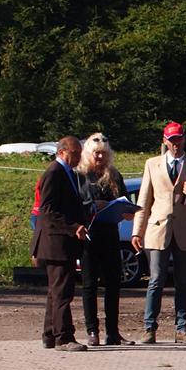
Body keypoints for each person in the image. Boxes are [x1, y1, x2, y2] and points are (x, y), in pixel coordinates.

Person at [130, 121, 186, 345]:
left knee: (183, 282)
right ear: (164, 141)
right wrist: (136, 232)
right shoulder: (152, 164)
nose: (176, 144)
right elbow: (144, 201)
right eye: (172, 140)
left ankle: (182, 329)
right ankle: (149, 328)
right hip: (158, 229)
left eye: (179, 139)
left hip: (185, 230)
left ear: (184, 139)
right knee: (155, 280)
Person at [30, 136, 89, 352]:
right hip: (55, 242)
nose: (79, 158)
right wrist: (73, 227)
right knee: (63, 291)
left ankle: (49, 334)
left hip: (62, 241)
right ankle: (64, 337)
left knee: (55, 291)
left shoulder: (68, 173)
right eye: (76, 154)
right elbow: (47, 211)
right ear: (63, 152)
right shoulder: (54, 173)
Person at [78, 132, 135, 347]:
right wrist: (94, 206)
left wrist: (127, 210)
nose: (100, 158)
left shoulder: (114, 174)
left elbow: (123, 200)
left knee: (113, 284)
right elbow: (77, 204)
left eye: (103, 153)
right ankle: (92, 330)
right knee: (89, 284)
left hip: (111, 233)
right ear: (88, 154)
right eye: (96, 154)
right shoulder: (80, 175)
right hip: (89, 236)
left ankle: (113, 332)